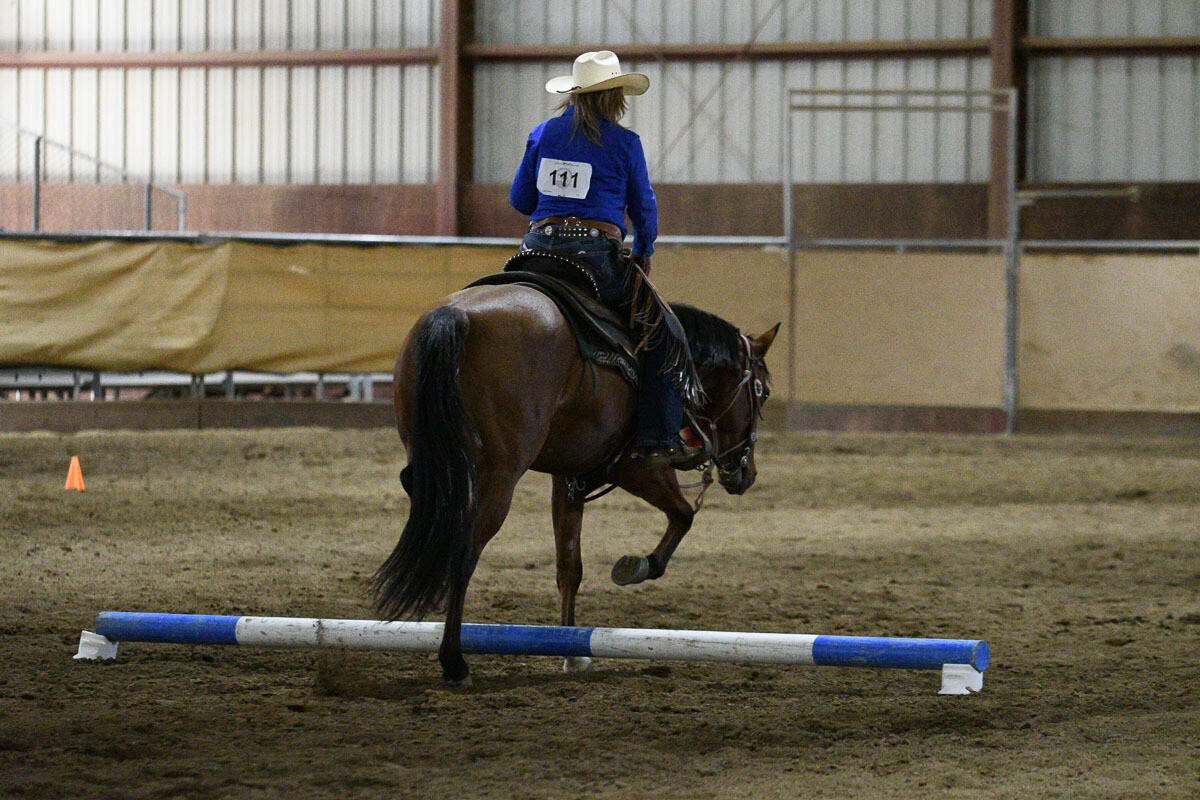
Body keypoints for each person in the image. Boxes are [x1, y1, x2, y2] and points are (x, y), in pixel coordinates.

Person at [509, 50, 699, 467]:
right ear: (615, 96)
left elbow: (521, 199)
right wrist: (644, 250)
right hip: (595, 255)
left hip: (536, 249)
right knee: (666, 334)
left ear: (574, 94)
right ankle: (659, 438)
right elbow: (644, 207)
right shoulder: (626, 143)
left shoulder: (542, 133)